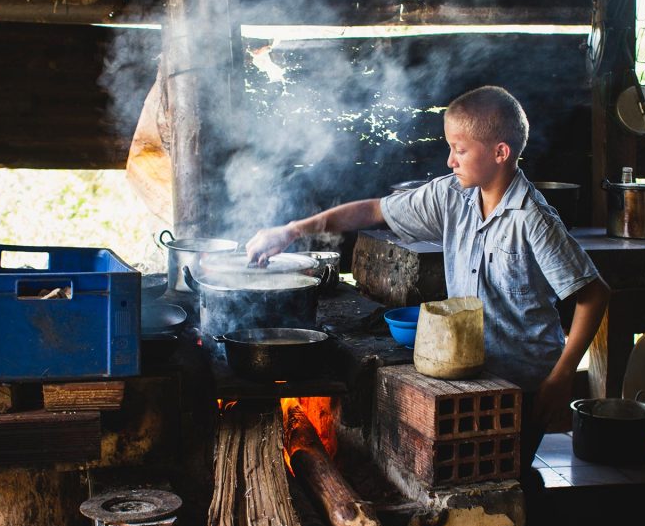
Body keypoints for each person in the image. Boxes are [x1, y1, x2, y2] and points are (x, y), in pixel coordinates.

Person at [245, 85, 609, 463]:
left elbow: (594, 294)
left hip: (525, 382)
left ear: (501, 152)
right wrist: (293, 229)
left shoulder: (533, 220)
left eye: (461, 149)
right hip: (470, 372)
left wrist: (561, 376)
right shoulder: (451, 196)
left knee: (506, 475)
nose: (451, 161)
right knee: (475, 473)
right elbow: (374, 210)